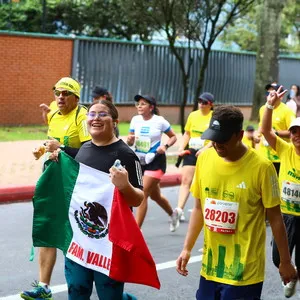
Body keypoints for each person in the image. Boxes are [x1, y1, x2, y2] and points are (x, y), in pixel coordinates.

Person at [176, 105, 297, 300]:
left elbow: (275, 218)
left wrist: (285, 261)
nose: (217, 145)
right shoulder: (205, 158)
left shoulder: (262, 167)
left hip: (245, 273)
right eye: (214, 138)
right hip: (211, 268)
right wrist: (187, 248)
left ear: (240, 135)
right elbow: (199, 207)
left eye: (223, 139)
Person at [57, 100, 143, 299]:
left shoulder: (126, 155)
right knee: (77, 290)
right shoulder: (84, 149)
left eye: (102, 114)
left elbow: (138, 199)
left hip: (109, 243)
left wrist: (125, 186)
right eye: (92, 114)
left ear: (114, 122)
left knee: (109, 295)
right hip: (79, 239)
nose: (95, 118)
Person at [21, 77, 91, 300]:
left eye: (65, 93)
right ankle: (44, 286)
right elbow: (52, 143)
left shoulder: (82, 116)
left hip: (77, 183)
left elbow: (91, 152)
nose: (60, 97)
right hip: (54, 178)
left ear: (76, 98)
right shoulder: (53, 115)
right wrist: (43, 150)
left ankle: (98, 283)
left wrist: (60, 148)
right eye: (57, 93)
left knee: (77, 233)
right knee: (50, 228)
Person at [261, 86, 300, 298]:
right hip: (285, 215)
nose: (296, 136)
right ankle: (291, 275)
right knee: (278, 259)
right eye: (294, 131)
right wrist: (270, 105)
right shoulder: (285, 149)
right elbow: (266, 131)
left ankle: (296, 274)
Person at [126, 94, 178, 231]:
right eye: (138, 104)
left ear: (151, 107)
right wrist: (129, 140)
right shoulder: (135, 120)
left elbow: (173, 137)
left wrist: (165, 146)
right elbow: (130, 139)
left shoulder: (159, 121)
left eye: (143, 104)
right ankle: (173, 214)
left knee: (143, 192)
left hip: (155, 160)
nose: (139, 106)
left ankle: (136, 231)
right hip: (140, 161)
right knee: (156, 196)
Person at [172, 92, 214, 230]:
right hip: (192, 151)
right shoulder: (193, 115)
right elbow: (187, 133)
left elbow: (215, 137)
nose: (201, 104)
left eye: (204, 102)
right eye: (199, 101)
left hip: (208, 152)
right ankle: (178, 210)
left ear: (210, 104)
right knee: (186, 181)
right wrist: (181, 147)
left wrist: (206, 148)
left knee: (203, 184)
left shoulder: (214, 117)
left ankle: (207, 212)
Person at [255, 83, 295, 175]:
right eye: (268, 93)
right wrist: (258, 134)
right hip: (263, 155)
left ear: (280, 96)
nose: (269, 96)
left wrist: (275, 133)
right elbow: (261, 125)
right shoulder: (262, 109)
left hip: (278, 156)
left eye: (273, 93)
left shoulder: (287, 111)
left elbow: (293, 132)